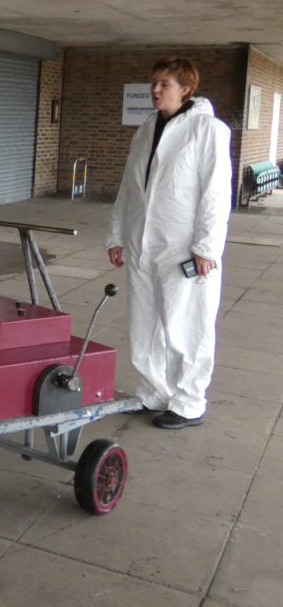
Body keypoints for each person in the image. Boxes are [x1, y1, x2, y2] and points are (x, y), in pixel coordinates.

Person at [106, 57, 232, 429]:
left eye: (164, 84)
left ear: (186, 89)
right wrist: (116, 234)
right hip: (143, 243)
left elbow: (216, 193)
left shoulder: (207, 129)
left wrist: (207, 248)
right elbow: (129, 189)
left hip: (183, 247)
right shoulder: (146, 129)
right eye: (153, 83)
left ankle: (189, 401)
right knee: (143, 325)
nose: (155, 90)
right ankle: (154, 392)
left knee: (186, 325)